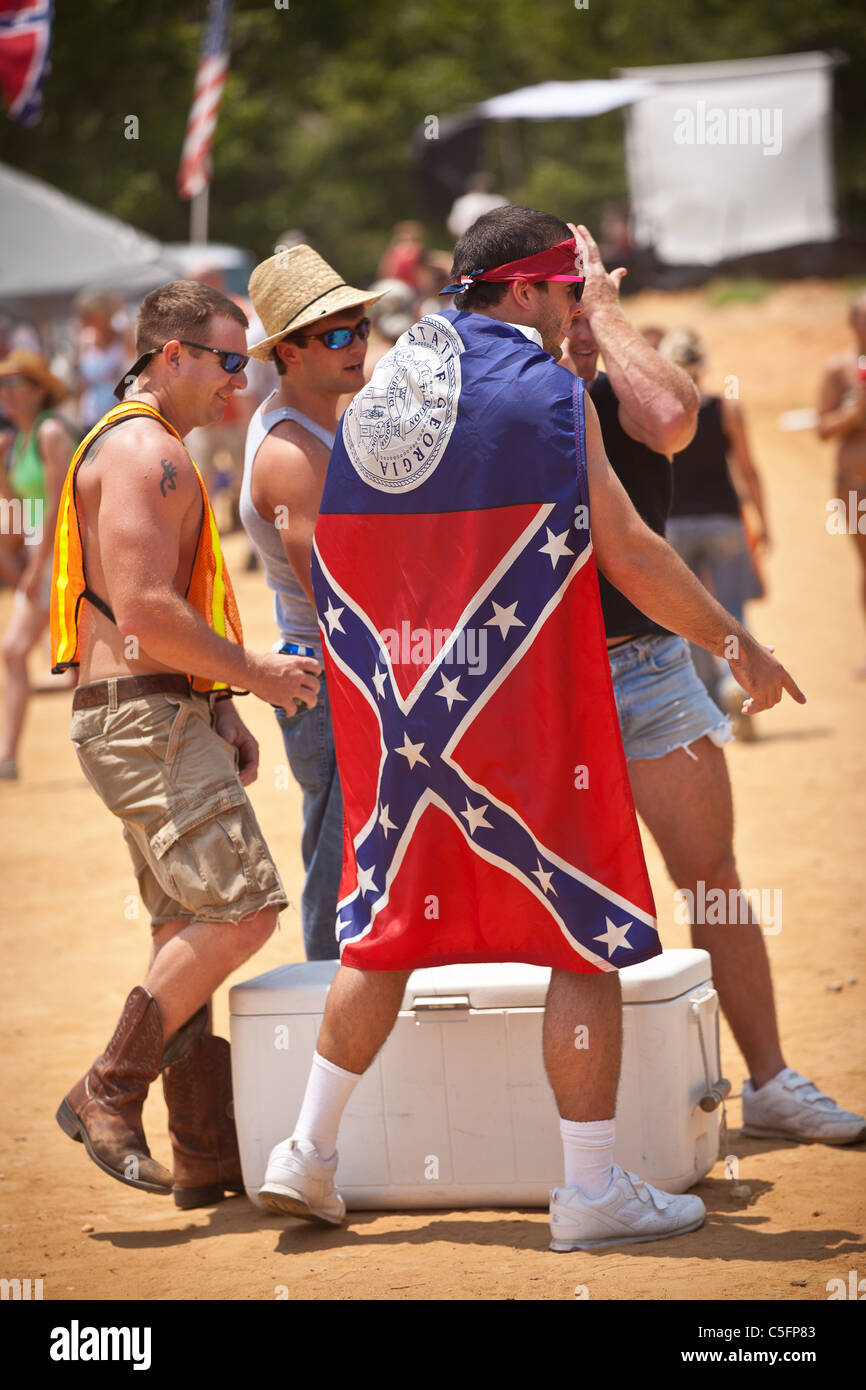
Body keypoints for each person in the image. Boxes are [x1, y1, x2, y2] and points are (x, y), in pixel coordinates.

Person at [258, 206, 805, 1253]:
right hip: (528, 706)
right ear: (524, 291)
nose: (569, 317)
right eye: (564, 293)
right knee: (584, 926)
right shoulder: (547, 394)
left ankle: (305, 1152)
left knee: (384, 934)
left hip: (409, 716)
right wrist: (737, 645)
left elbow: (348, 565)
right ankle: (590, 1188)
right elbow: (629, 552)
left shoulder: (380, 394)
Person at [559, 226, 866, 1148]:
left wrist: (606, 317)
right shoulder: (512, 401)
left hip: (649, 665)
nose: (572, 322)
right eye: (555, 301)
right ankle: (583, 1130)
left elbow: (675, 420)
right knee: (563, 901)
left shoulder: (624, 390)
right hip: (544, 680)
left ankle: (769, 1080)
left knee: (715, 880)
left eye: (583, 303)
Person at [51, 280, 321, 1205]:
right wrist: (255, 673)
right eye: (228, 361)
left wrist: (216, 705)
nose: (238, 383)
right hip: (141, 718)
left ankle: (205, 1150)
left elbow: (165, 615)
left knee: (184, 927)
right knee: (241, 912)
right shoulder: (144, 452)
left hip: (155, 712)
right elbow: (147, 612)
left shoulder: (145, 446)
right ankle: (108, 1090)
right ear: (173, 357)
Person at [241, 246, 382, 960]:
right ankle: (326, 1015)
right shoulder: (293, 454)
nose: (356, 343)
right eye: (334, 334)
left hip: (332, 669)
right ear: (287, 353)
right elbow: (336, 593)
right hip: (332, 673)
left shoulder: (317, 426)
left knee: (361, 859)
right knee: (345, 874)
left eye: (359, 325)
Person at [659, 327, 770, 725]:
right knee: (733, 611)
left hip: (675, 525)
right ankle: (738, 686)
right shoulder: (728, 410)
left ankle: (709, 706)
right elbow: (748, 470)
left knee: (691, 617)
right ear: (702, 365)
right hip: (724, 520)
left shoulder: (660, 416)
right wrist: (763, 521)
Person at [0, 351, 76, 778]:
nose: (6, 394)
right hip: (41, 560)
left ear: (40, 389)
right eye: (2, 386)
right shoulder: (17, 440)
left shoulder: (50, 432)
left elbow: (58, 506)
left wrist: (34, 565)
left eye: (15, 385)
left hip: (62, 559)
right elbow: (16, 510)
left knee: (75, 663)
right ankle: (7, 757)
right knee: (15, 653)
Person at [817, 290, 866, 676]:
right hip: (855, 487)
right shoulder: (838, 369)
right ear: (853, 322)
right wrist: (856, 412)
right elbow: (823, 428)